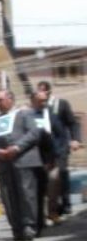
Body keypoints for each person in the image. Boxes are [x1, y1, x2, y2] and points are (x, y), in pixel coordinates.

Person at [0, 89, 42, 241]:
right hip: (4, 165)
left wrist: (17, 147)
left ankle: (29, 226)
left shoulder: (24, 114)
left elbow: (33, 133)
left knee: (26, 194)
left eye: (0, 100)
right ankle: (16, 228)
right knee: (8, 197)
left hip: (23, 161)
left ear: (10, 99)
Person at [38, 80, 82, 215]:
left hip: (61, 147)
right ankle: (53, 207)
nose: (39, 94)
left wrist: (75, 139)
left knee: (61, 173)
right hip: (45, 150)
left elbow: (73, 123)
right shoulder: (38, 108)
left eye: (42, 91)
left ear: (48, 91)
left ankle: (66, 203)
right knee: (48, 179)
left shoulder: (61, 104)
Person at [30, 88, 64, 231]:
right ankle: (39, 217)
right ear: (33, 101)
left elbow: (61, 134)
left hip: (50, 159)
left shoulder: (51, 116)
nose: (43, 103)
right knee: (35, 190)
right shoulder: (27, 116)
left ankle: (53, 213)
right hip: (33, 159)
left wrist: (58, 152)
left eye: (45, 100)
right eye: (40, 100)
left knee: (53, 185)